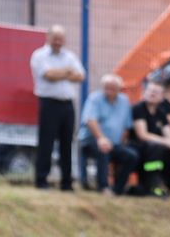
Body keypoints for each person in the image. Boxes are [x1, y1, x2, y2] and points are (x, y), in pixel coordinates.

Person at [28, 25, 85, 191]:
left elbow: (80, 76)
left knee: (67, 143)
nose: (58, 42)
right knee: (46, 142)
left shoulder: (70, 56)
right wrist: (67, 72)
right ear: (48, 38)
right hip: (49, 104)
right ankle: (41, 180)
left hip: (67, 105)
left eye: (61, 39)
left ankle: (66, 183)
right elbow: (49, 75)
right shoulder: (39, 55)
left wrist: (60, 73)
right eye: (55, 39)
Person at [129, 78, 170, 197]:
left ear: (162, 97)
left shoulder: (161, 112)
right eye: (150, 91)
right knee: (156, 148)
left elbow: (168, 134)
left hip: (158, 146)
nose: (152, 94)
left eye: (156, 92)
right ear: (144, 92)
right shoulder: (138, 108)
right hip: (139, 146)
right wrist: (167, 142)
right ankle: (154, 186)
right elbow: (142, 135)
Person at [78, 74, 135, 194]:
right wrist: (101, 138)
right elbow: (90, 120)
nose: (108, 92)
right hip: (92, 140)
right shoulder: (95, 99)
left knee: (131, 156)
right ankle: (103, 186)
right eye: (106, 88)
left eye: (112, 89)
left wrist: (121, 143)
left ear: (119, 89)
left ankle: (118, 189)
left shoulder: (124, 101)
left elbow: (127, 126)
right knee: (104, 148)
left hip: (114, 143)